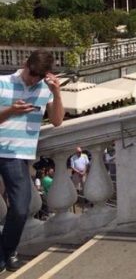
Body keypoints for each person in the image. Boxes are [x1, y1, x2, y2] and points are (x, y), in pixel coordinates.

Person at [0, 49, 64, 272]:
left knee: (19, 208)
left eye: (38, 76)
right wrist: (11, 111)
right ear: (25, 64)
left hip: (16, 155)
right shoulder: (3, 82)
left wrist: (56, 93)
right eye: (31, 73)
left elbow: (56, 121)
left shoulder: (45, 89)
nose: (33, 79)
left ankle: (7, 251)